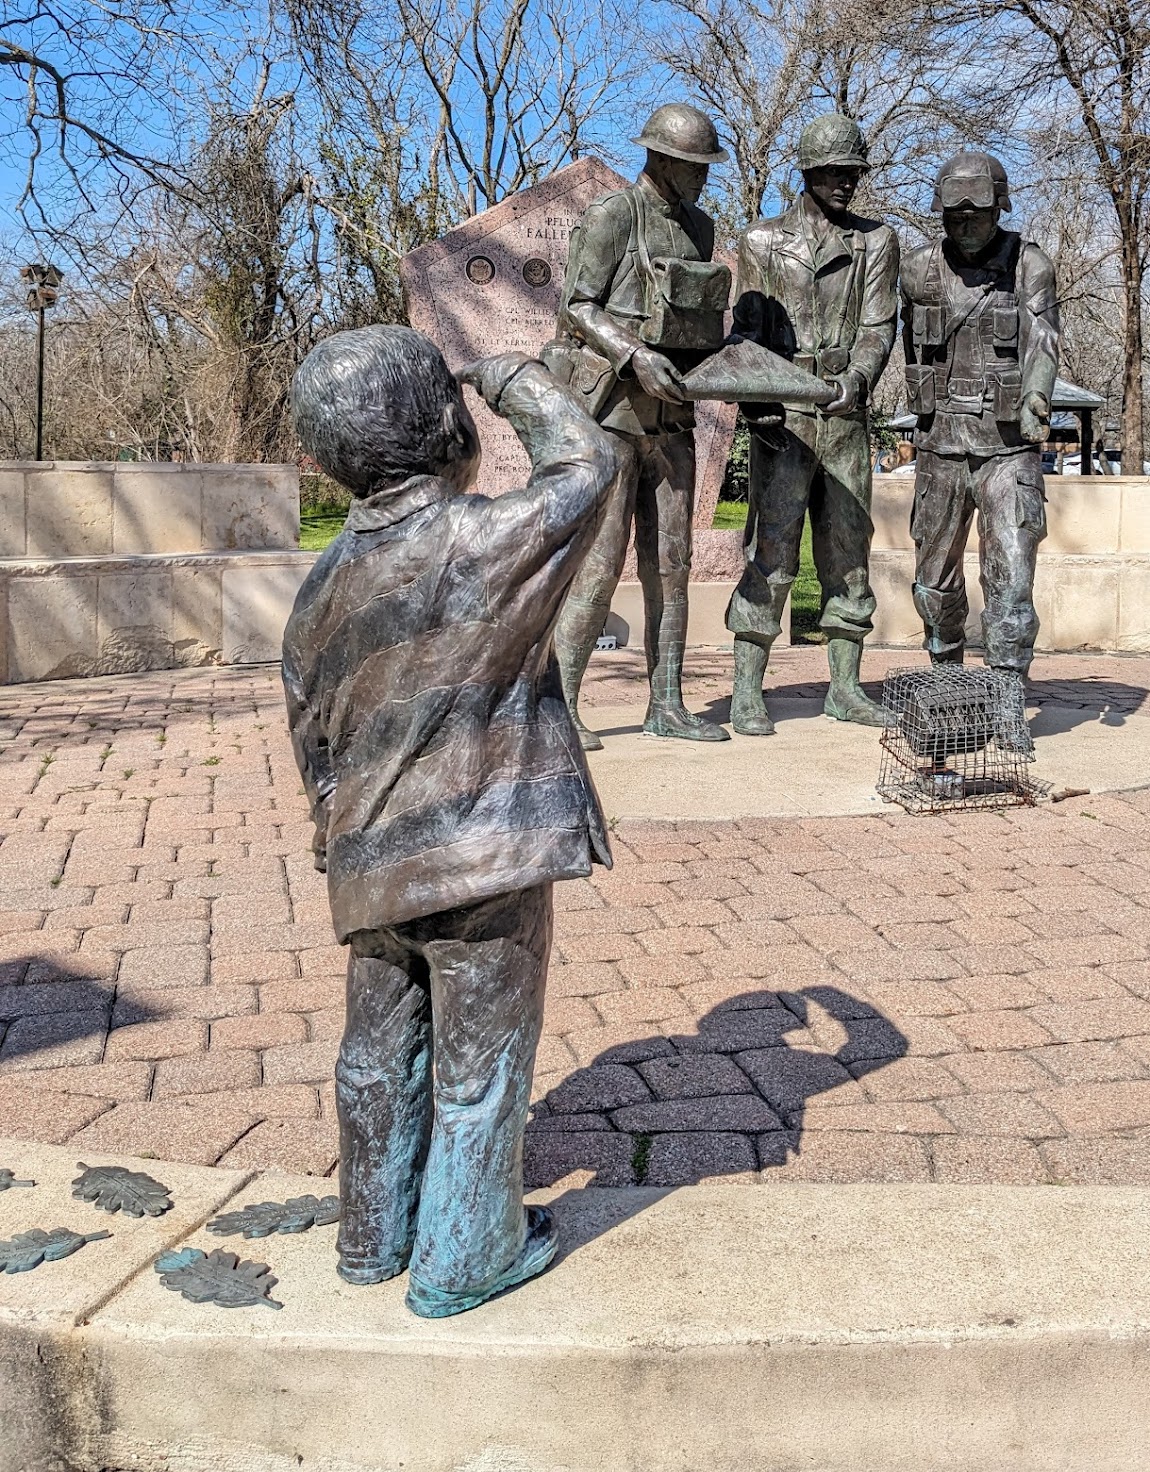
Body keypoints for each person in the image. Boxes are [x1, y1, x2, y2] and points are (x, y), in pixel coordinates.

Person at [282, 326, 618, 1318]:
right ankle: (466, 1255)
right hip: (484, 858)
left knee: (375, 1060)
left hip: (372, 868)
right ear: (447, 426)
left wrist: (343, 844)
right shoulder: (485, 540)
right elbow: (587, 463)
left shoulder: (319, 588)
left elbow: (314, 748)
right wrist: (509, 375)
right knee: (479, 1068)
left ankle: (371, 1236)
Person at [552, 102, 732, 749]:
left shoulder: (701, 228)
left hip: (673, 420)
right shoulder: (613, 215)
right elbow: (576, 305)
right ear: (659, 158)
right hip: (611, 415)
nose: (702, 177)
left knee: (673, 564)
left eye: (705, 167)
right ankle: (561, 705)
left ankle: (667, 704)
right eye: (693, 166)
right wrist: (634, 354)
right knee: (600, 565)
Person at [726, 113, 899, 735]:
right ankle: (747, 690)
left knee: (848, 550)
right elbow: (745, 334)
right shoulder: (761, 241)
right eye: (834, 172)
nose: (846, 182)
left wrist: (859, 378)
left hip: (844, 417)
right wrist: (754, 402)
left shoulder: (876, 241)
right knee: (770, 551)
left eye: (853, 173)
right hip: (783, 418)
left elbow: (879, 325)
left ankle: (844, 688)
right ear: (807, 172)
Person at [901, 151, 1059, 675]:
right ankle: (946, 675)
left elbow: (1044, 339)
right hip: (940, 445)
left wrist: (1036, 397)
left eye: (978, 214)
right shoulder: (916, 268)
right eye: (955, 215)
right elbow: (897, 339)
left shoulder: (1029, 264)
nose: (965, 224)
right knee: (932, 581)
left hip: (1007, 447)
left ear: (999, 209)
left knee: (1011, 574)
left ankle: (1008, 690)